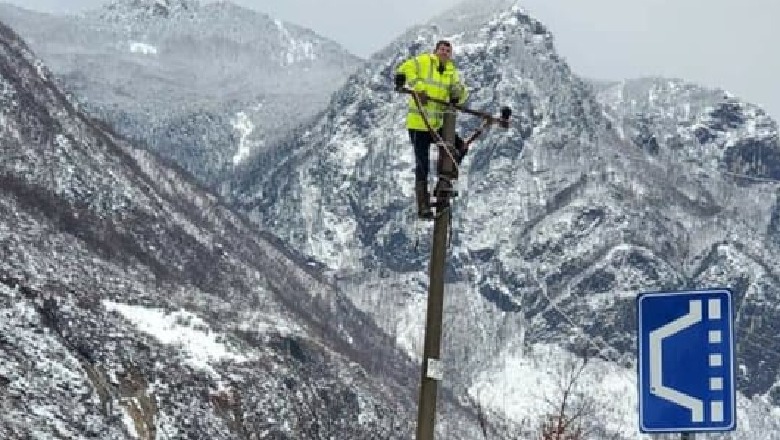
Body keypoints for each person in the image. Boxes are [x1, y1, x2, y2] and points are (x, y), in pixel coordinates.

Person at [396, 40, 469, 219]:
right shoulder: (424, 62)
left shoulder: (452, 72)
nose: (445, 53)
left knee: (460, 147)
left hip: (436, 124)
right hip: (419, 123)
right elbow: (404, 69)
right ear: (435, 51)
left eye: (448, 50)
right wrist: (418, 87)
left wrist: (457, 94)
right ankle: (423, 205)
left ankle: (444, 183)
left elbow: (461, 93)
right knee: (422, 164)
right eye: (442, 49)